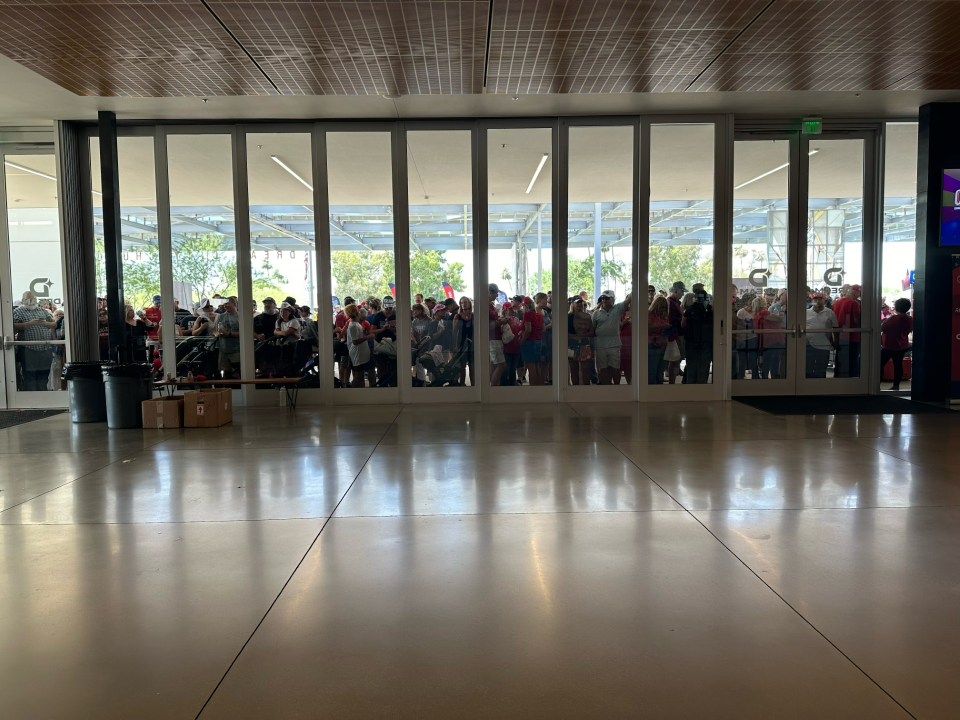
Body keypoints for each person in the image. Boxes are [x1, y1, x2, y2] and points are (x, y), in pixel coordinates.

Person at [13, 291, 56, 390]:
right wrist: (29, 323)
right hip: (28, 349)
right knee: (29, 378)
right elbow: (13, 326)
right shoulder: (18, 311)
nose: (31, 302)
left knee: (43, 377)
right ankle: (31, 402)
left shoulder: (43, 311)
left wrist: (44, 323)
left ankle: (42, 400)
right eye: (28, 299)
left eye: (33, 299)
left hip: (45, 349)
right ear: (23, 300)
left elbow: (53, 324)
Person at [592, 290, 632, 385]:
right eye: (603, 298)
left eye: (607, 298)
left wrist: (634, 282)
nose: (604, 300)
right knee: (604, 369)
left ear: (613, 299)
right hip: (600, 345)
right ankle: (607, 388)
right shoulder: (596, 313)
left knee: (615, 368)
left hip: (614, 345)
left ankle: (616, 388)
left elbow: (630, 298)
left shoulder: (618, 308)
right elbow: (592, 329)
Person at [881, 298, 913, 391]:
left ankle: (877, 383)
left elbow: (882, 328)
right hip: (902, 345)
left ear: (896, 307)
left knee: (880, 364)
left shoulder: (893, 318)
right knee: (898, 365)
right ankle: (896, 385)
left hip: (889, 345)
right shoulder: (910, 319)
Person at [681, 290, 713, 384]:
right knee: (704, 365)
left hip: (691, 341)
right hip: (706, 341)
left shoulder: (689, 310)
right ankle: (702, 387)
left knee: (691, 365)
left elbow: (683, 324)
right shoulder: (709, 311)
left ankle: (691, 387)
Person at [832, 284, 862, 378]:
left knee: (840, 359)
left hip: (838, 335)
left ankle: (838, 379)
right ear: (856, 292)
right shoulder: (854, 303)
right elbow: (856, 321)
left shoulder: (836, 302)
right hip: (852, 336)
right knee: (852, 360)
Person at [805, 292, 838, 378]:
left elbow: (835, 328)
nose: (818, 301)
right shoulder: (806, 312)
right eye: (815, 299)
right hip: (809, 345)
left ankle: (820, 388)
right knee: (808, 368)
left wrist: (835, 341)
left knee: (821, 369)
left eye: (820, 299)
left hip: (824, 345)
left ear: (825, 301)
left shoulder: (830, 312)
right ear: (812, 301)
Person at [344, 303, 375, 388]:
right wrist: (368, 337)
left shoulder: (355, 324)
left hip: (362, 353)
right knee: (358, 375)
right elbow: (355, 341)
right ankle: (353, 392)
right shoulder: (354, 325)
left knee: (364, 373)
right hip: (358, 354)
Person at [755, 295, 785, 379]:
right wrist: (782, 311)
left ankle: (766, 378)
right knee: (773, 361)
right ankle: (772, 379)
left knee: (768, 360)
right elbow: (779, 319)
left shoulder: (757, 314)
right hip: (773, 340)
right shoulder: (764, 313)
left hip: (765, 340)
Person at [370, 296, 398, 387]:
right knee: (381, 367)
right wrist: (382, 330)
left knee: (394, 367)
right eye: (387, 308)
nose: (389, 310)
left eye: (390, 308)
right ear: (383, 306)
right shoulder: (378, 316)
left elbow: (403, 330)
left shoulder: (396, 315)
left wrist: (392, 329)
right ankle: (383, 385)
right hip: (380, 344)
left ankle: (394, 385)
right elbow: (372, 330)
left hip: (393, 345)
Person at [212, 298, 241, 379]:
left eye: (227, 303)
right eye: (224, 304)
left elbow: (244, 333)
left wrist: (228, 334)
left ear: (234, 304)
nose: (225, 306)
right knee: (226, 372)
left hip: (237, 349)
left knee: (237, 371)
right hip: (223, 349)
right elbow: (215, 331)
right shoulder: (220, 317)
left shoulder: (240, 316)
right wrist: (217, 334)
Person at [518, 296, 544, 386]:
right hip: (538, 341)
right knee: (537, 366)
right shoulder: (539, 315)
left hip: (529, 342)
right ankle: (539, 387)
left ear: (525, 305)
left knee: (531, 367)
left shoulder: (527, 314)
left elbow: (528, 329)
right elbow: (543, 329)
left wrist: (522, 340)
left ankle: (533, 389)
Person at [567, 296, 593, 386]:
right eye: (577, 302)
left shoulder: (588, 316)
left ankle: (586, 389)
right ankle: (575, 389)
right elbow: (563, 332)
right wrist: (573, 336)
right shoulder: (568, 317)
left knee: (586, 369)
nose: (579, 304)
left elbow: (592, 331)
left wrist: (582, 335)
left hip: (584, 344)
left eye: (581, 303)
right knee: (574, 369)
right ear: (572, 304)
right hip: (571, 345)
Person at [737, 296, 763, 380]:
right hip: (742, 337)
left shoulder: (756, 312)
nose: (752, 306)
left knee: (753, 358)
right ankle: (740, 376)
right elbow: (739, 324)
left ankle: (755, 376)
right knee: (742, 359)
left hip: (752, 337)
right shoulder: (741, 312)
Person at [647, 295, 671, 385]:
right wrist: (662, 326)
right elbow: (647, 329)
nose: (662, 310)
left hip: (663, 344)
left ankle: (659, 388)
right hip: (652, 345)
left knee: (661, 369)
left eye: (664, 308)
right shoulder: (649, 315)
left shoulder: (664, 316)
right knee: (652, 370)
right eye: (661, 307)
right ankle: (650, 389)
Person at [666, 281, 686, 384]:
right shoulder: (670, 302)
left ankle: (673, 380)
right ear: (676, 291)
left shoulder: (677, 303)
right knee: (674, 359)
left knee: (677, 358)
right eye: (682, 291)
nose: (683, 294)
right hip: (674, 333)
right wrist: (682, 319)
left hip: (679, 333)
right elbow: (670, 320)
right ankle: (671, 382)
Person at [452, 296, 474, 386]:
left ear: (469, 303)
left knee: (472, 366)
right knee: (462, 366)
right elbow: (454, 332)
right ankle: (462, 384)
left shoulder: (474, 316)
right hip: (461, 343)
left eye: (465, 302)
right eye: (461, 303)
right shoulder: (457, 316)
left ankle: (474, 385)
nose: (463, 304)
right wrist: (454, 345)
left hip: (472, 343)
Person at [487, 283, 507, 387]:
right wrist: (501, 322)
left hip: (496, 337)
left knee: (494, 364)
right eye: (496, 293)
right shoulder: (486, 306)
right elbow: (487, 325)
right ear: (490, 292)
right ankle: (494, 386)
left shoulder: (491, 305)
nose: (496, 296)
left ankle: (493, 385)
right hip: (492, 338)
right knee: (501, 365)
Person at [500, 302, 523, 386]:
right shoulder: (502, 320)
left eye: (512, 308)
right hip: (507, 347)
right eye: (510, 309)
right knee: (506, 368)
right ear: (505, 310)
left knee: (513, 368)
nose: (512, 310)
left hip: (516, 347)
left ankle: (512, 382)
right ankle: (504, 384)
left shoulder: (516, 319)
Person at [536, 292, 552, 385]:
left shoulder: (545, 312)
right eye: (544, 299)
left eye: (547, 299)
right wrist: (548, 326)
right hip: (541, 339)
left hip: (548, 339)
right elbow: (538, 327)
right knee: (540, 362)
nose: (546, 301)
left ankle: (543, 380)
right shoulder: (535, 311)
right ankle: (539, 382)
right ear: (539, 300)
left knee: (547, 361)